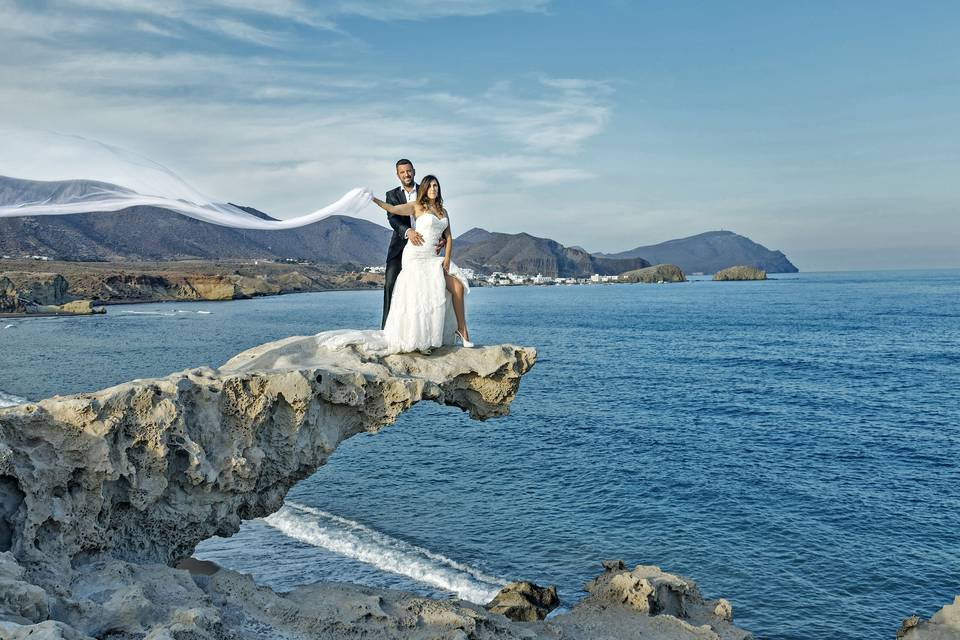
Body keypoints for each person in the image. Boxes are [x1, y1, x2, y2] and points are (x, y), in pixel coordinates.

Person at [371, 175, 472, 350]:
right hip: (415, 255)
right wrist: (373, 199)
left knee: (458, 287)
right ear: (424, 189)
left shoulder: (443, 211)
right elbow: (392, 208)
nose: (434, 189)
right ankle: (421, 338)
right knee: (422, 296)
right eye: (430, 186)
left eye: (436, 186)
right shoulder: (417, 206)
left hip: (433, 258)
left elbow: (448, 237)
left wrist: (447, 258)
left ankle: (462, 330)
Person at [381, 159, 422, 329]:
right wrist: (408, 231)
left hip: (423, 247)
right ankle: (386, 329)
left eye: (409, 171)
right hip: (399, 247)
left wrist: (441, 237)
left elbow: (438, 215)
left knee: (421, 288)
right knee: (390, 284)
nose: (407, 174)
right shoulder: (391, 194)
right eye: (403, 172)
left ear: (414, 171)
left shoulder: (426, 191)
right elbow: (392, 218)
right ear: (398, 175)